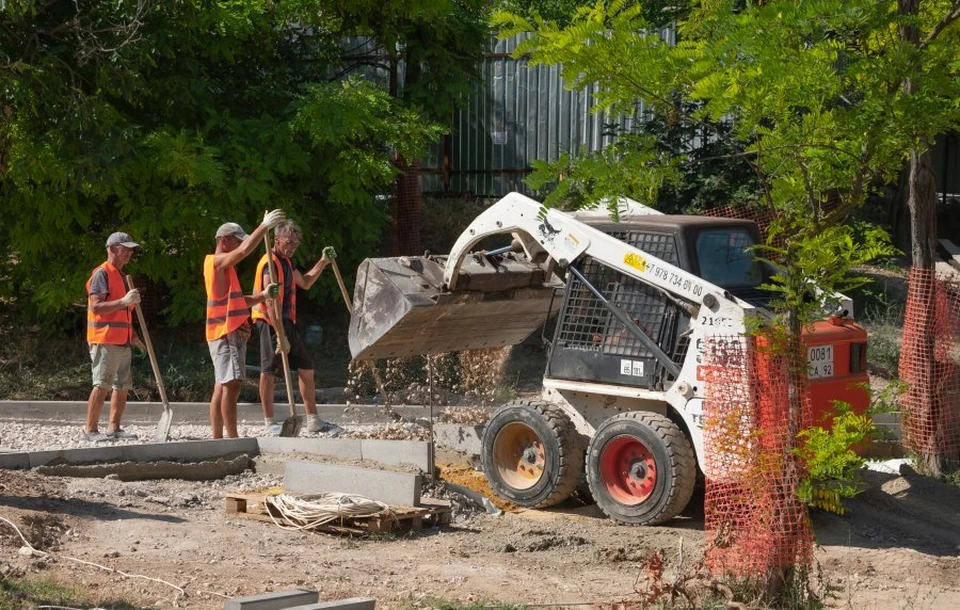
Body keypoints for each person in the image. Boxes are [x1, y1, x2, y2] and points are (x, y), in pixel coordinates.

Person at [252, 220, 338, 435]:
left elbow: (306, 282)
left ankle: (313, 420)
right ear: (276, 239)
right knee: (269, 370)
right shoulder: (269, 263)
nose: (291, 248)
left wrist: (323, 262)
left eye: (295, 244)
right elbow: (270, 302)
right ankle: (269, 422)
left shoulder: (287, 263)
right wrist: (280, 336)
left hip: (286, 321)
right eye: (288, 242)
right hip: (269, 322)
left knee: (306, 367)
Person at [204, 211, 284, 439]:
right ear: (224, 241)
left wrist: (263, 295)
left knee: (223, 385)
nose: (241, 244)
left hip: (229, 332)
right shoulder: (216, 262)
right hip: (224, 332)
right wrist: (263, 227)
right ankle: (232, 438)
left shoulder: (227, 271)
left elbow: (239, 302)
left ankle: (218, 439)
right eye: (237, 240)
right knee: (231, 385)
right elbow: (243, 251)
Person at [84, 232, 146, 442]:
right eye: (125, 248)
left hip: (122, 340)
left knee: (122, 385)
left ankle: (114, 428)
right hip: (104, 339)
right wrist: (124, 300)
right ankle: (90, 430)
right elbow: (97, 306)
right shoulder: (102, 273)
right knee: (102, 384)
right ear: (111, 248)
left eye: (131, 249)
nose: (130, 252)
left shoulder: (121, 276)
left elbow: (125, 313)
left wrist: (134, 336)